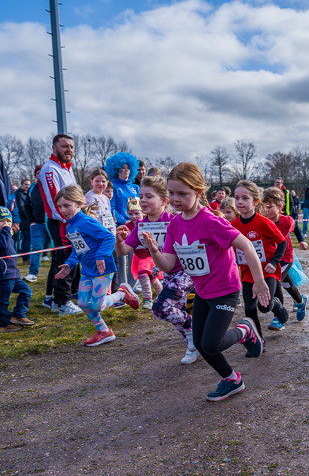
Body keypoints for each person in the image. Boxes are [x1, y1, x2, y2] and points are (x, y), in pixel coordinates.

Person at [142, 163, 268, 401]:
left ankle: (245, 331)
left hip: (225, 290)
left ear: (199, 192)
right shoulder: (175, 224)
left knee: (211, 344)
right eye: (172, 193)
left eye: (183, 193)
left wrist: (259, 281)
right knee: (200, 343)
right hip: (202, 291)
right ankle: (231, 379)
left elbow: (247, 246)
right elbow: (168, 264)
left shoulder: (211, 221)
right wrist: (154, 251)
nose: (175, 199)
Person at [116, 175, 198, 364]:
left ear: (164, 201)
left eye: (149, 196)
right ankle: (193, 345)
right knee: (173, 311)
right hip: (168, 273)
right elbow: (123, 251)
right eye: (141, 196)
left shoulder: (174, 220)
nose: (143, 201)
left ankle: (193, 329)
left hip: (186, 271)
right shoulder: (141, 225)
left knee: (161, 308)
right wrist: (118, 241)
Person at [52, 186, 140, 346]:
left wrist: (100, 256)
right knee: (83, 303)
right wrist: (70, 264)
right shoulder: (71, 226)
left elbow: (109, 237)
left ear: (79, 204)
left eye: (66, 205)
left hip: (102, 270)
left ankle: (122, 294)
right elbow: (79, 249)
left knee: (97, 306)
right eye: (59, 206)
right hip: (87, 270)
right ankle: (104, 331)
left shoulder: (85, 222)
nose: (62, 210)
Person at [231, 180, 288, 336]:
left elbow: (282, 243)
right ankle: (258, 341)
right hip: (248, 272)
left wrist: (274, 262)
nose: (239, 202)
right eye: (237, 198)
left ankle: (276, 304)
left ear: (256, 201)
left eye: (245, 198)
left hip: (267, 271)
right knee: (249, 309)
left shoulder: (264, 222)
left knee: (265, 306)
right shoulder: (233, 225)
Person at [39, 134, 83, 316]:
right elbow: (54, 201)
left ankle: (59, 299)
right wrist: (70, 220)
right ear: (54, 148)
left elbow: (76, 196)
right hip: (61, 222)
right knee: (64, 258)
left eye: (71, 147)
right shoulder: (50, 169)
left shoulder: (67, 167)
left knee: (73, 255)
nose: (69, 150)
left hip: (73, 220)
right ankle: (63, 302)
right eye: (65, 146)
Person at [262, 187, 308, 321]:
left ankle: (279, 317)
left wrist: (301, 241)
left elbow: (297, 228)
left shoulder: (286, 221)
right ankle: (300, 301)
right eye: (263, 207)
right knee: (288, 285)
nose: (265, 210)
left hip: (285, 258)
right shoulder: (262, 222)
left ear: (279, 207)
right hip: (270, 259)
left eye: (269, 207)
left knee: (275, 281)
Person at [0, 207, 34, 332]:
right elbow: (3, 245)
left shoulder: (6, 235)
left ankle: (18, 315)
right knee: (3, 301)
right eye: (2, 221)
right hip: (4, 276)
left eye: (8, 221)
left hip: (14, 274)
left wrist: (9, 232)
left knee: (26, 291)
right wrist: (6, 230)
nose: (6, 224)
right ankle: (3, 324)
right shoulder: (3, 235)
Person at [23, 166, 51, 284]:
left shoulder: (52, 186)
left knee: (58, 249)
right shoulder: (32, 188)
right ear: (35, 175)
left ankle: (59, 275)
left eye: (42, 172)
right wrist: (31, 221)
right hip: (37, 225)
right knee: (36, 248)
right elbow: (27, 206)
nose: (40, 174)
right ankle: (33, 274)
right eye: (38, 173)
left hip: (52, 223)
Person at [105, 152, 140, 224]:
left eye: (128, 168)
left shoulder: (136, 187)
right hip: (121, 224)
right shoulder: (113, 186)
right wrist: (124, 221)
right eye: (123, 168)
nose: (126, 170)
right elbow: (112, 208)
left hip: (136, 223)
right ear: (116, 170)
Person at [14, 180, 31, 264]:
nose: (27, 186)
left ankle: (25, 258)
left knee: (25, 239)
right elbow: (22, 208)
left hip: (25, 219)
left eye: (29, 185)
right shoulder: (19, 194)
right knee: (27, 239)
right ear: (21, 185)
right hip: (24, 220)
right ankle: (26, 258)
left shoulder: (27, 194)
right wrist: (30, 217)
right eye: (26, 184)